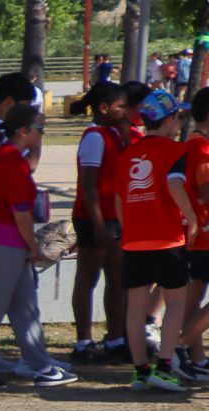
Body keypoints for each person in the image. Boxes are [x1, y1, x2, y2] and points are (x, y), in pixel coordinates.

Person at [0, 105, 76, 389]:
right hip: (3, 243)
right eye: (41, 129)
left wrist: (38, 141)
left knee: (25, 308)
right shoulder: (11, 161)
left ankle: (41, 366)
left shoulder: (9, 157)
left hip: (2, 241)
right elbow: (21, 214)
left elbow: (30, 165)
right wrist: (33, 245)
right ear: (24, 131)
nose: (43, 134)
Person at [112, 90, 196, 392]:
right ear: (170, 119)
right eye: (178, 117)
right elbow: (175, 186)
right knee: (175, 303)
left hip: (134, 241)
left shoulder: (128, 153)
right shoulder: (175, 151)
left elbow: (120, 201)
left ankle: (139, 371)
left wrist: (130, 229)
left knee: (135, 307)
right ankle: (164, 366)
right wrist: (192, 219)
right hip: (167, 237)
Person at [67, 81, 129, 363]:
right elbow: (88, 185)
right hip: (93, 218)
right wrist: (99, 224)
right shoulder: (94, 137)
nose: (125, 111)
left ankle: (115, 338)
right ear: (104, 109)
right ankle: (83, 342)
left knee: (117, 280)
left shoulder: (114, 133)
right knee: (87, 279)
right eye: (120, 106)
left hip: (115, 217)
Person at [176, 88, 209, 379]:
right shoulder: (201, 148)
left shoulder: (192, 144)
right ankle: (179, 346)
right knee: (194, 297)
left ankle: (195, 359)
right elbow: (205, 191)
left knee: (193, 296)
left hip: (198, 234)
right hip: (205, 233)